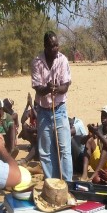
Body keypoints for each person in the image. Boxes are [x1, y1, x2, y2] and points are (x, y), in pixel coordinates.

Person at [31, 31, 72, 180]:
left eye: (57, 45)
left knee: (65, 149)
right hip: (43, 111)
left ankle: (67, 185)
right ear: (45, 47)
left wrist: (56, 88)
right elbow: (37, 89)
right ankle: (53, 183)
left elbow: (65, 86)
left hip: (59, 109)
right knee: (46, 151)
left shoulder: (63, 60)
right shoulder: (37, 62)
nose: (56, 48)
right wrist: (48, 88)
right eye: (52, 46)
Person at [80, 105, 107, 183]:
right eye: (102, 115)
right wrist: (90, 133)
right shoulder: (99, 128)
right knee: (89, 140)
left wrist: (98, 133)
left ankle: (93, 177)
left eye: (106, 115)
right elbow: (81, 142)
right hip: (101, 163)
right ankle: (84, 175)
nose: (103, 117)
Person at [18, 92, 38, 165]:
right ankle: (32, 144)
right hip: (33, 134)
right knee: (24, 125)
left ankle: (26, 160)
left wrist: (32, 106)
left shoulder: (44, 111)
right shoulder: (32, 111)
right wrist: (27, 106)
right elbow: (22, 120)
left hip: (40, 134)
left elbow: (39, 119)